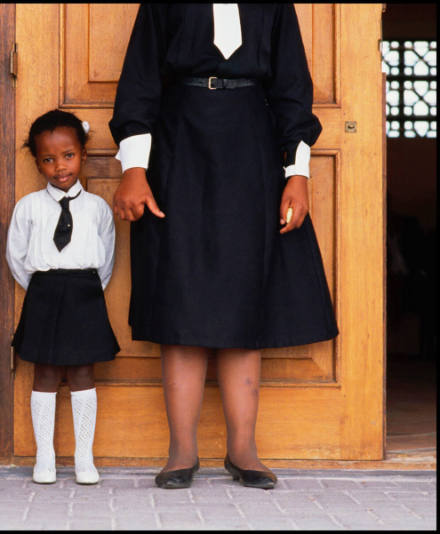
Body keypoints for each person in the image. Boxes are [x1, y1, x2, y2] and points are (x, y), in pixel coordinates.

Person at [109, 4, 338, 490]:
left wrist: (297, 174)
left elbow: (293, 89)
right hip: (178, 149)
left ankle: (243, 449)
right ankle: (181, 450)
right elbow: (140, 82)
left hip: (251, 149)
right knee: (182, 295)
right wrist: (134, 168)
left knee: (242, 297)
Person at [7, 110, 119, 485]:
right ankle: (45, 456)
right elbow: (17, 258)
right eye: (49, 159)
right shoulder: (29, 207)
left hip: (86, 293)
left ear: (83, 155)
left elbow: (106, 259)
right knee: (46, 372)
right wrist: (44, 289)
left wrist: (83, 289)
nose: (60, 166)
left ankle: (84, 457)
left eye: (68, 156)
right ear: (38, 162)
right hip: (44, 292)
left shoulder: (97, 209)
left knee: (84, 371)